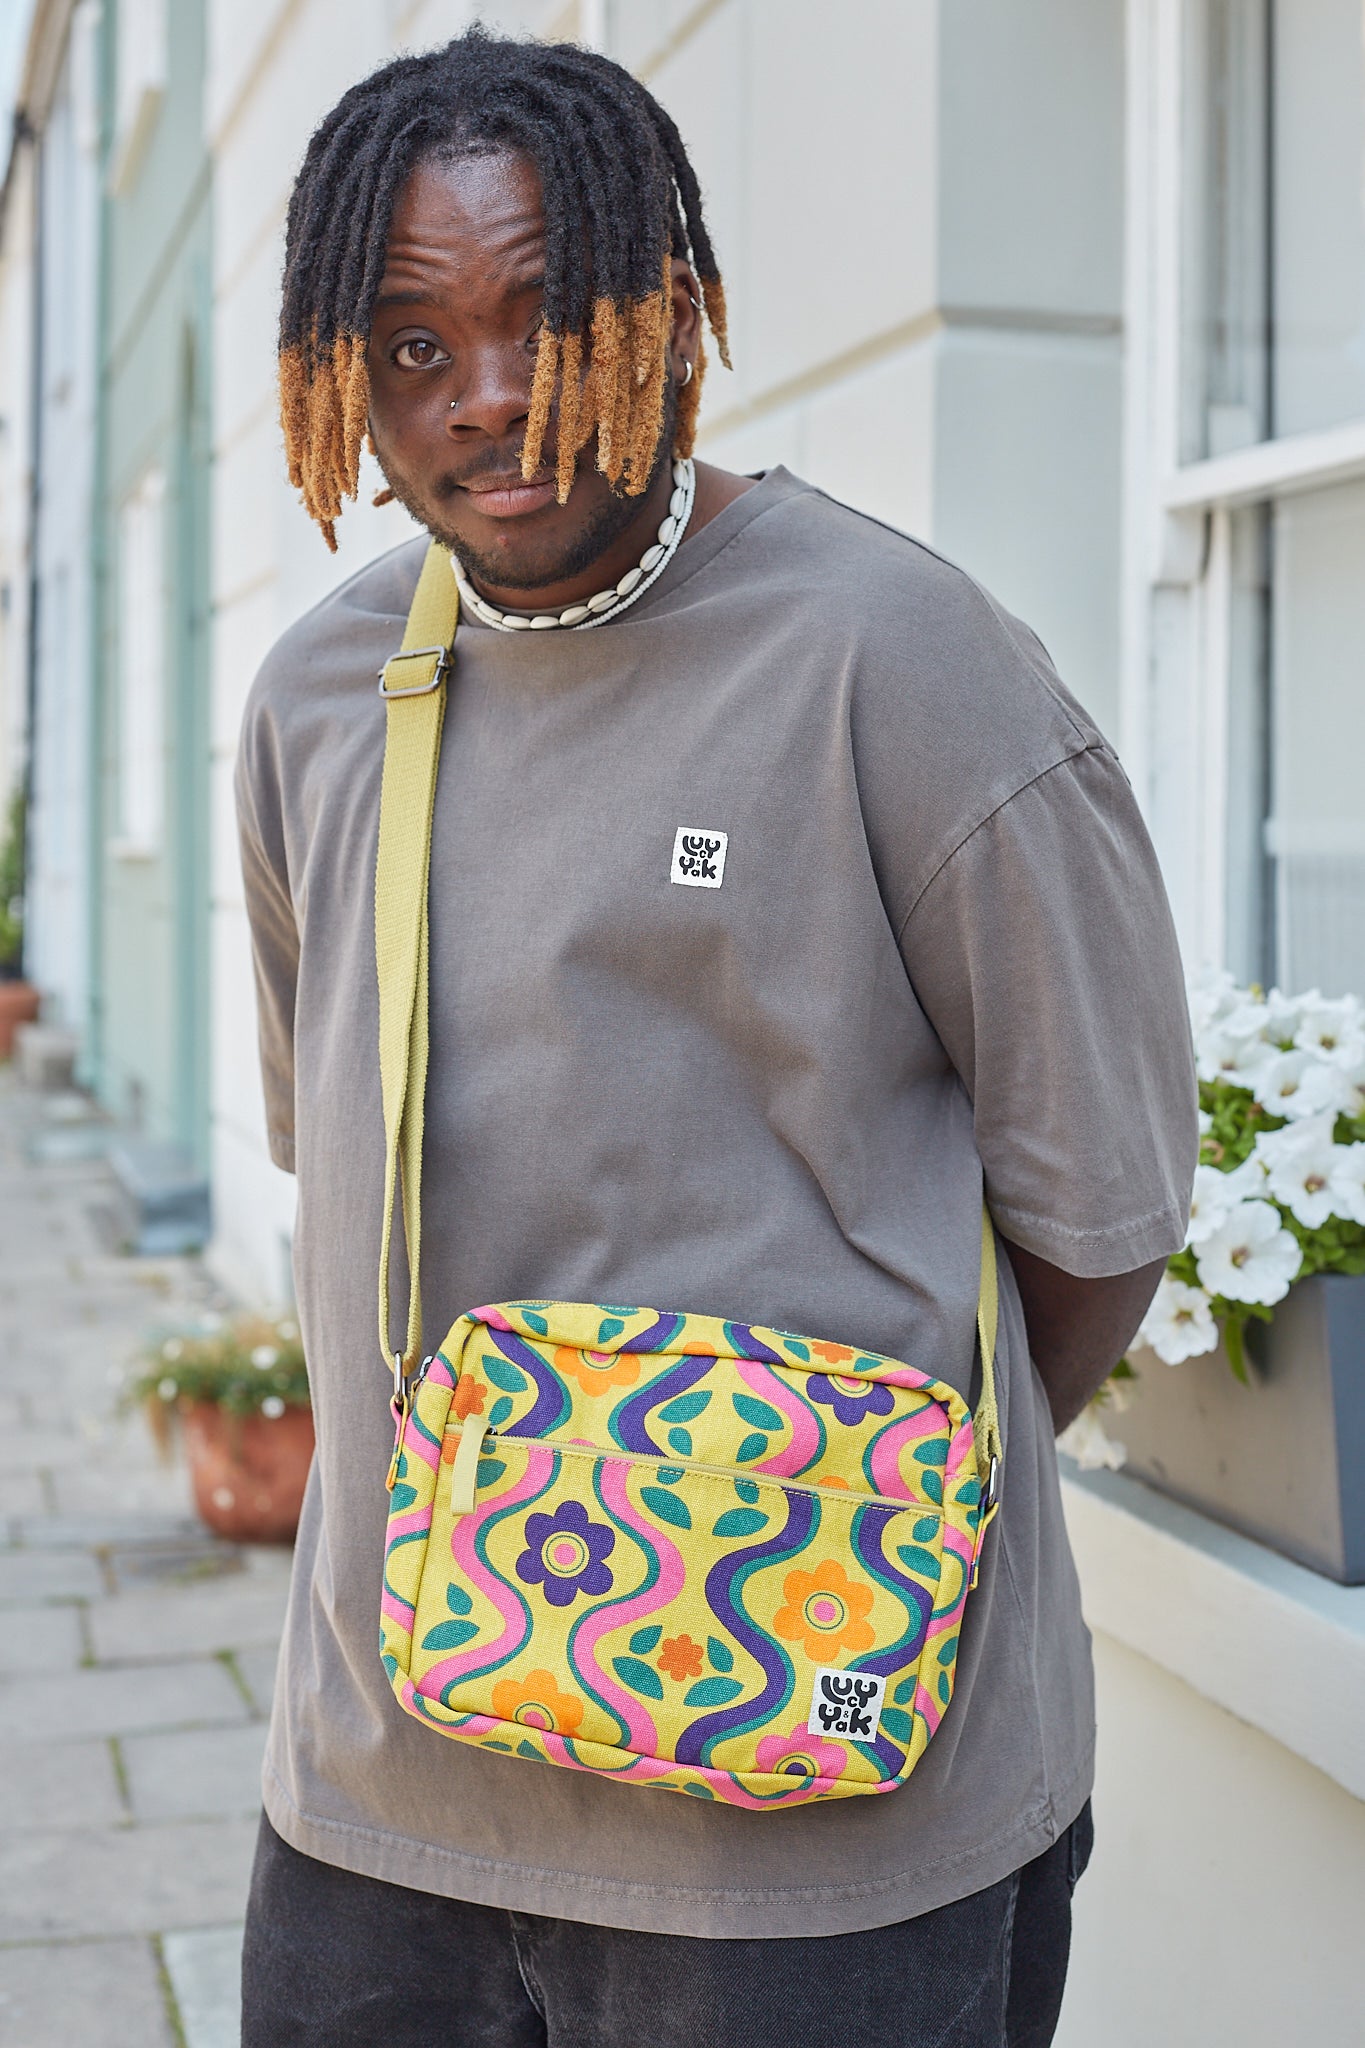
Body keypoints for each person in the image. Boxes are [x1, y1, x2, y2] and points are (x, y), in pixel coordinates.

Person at [236, 28, 1196, 2047]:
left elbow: (1095, 1220)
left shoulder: (898, 657)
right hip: (385, 1795)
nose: (486, 396)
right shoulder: (325, 695)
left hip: (815, 1823)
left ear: (670, 312)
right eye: (408, 346)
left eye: (547, 319)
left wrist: (820, 1498)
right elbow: (354, 1178)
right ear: (340, 384)